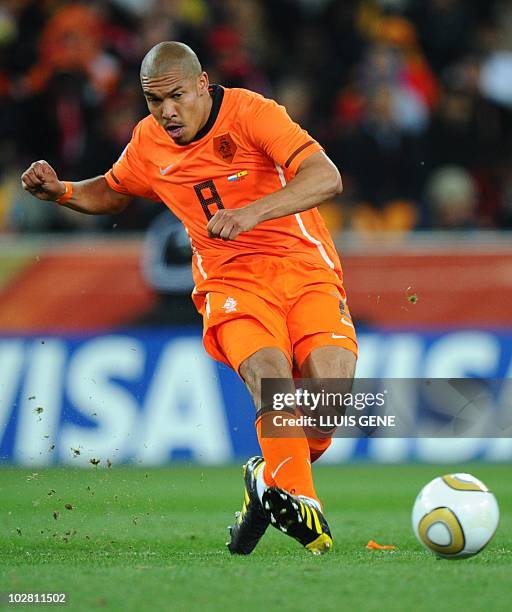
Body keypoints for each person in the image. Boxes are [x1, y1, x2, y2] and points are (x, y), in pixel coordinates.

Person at [21, 41, 357, 556]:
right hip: (230, 282)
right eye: (154, 101)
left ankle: (265, 483)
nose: (166, 112)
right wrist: (63, 191)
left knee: (327, 406)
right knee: (270, 374)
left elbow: (325, 176)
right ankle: (306, 511)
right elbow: (115, 188)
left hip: (306, 268)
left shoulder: (253, 113)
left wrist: (253, 212)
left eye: (176, 96)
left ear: (202, 83)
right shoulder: (149, 142)